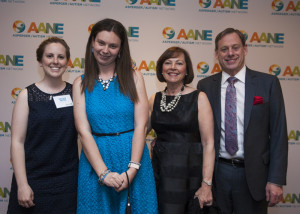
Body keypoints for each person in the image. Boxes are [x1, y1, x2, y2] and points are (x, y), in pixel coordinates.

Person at [197, 28, 288, 214]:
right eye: (224, 49)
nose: (230, 53)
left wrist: (276, 179)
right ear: (216, 54)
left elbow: (279, 134)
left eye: (235, 47)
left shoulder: (268, 83)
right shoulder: (205, 86)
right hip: (217, 174)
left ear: (245, 49)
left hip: (254, 176)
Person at [73, 18, 158, 214]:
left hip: (133, 158)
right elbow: (83, 132)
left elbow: (141, 125)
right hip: (95, 162)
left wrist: (132, 170)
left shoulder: (135, 77)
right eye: (101, 43)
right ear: (92, 43)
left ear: (121, 49)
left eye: (113, 45)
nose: (105, 50)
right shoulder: (80, 83)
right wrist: (103, 174)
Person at [8, 37, 79, 213]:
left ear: (67, 62)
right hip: (33, 180)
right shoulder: (27, 95)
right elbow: (17, 142)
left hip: (68, 182)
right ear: (40, 61)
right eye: (49, 56)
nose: (55, 61)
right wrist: (22, 184)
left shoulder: (76, 93)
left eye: (61, 57)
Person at [148, 46, 216, 213]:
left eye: (179, 63)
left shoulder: (199, 98)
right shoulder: (154, 99)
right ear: (161, 69)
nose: (173, 67)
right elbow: (139, 133)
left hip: (190, 175)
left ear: (186, 70)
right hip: (160, 173)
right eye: (168, 63)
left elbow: (209, 144)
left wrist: (206, 184)